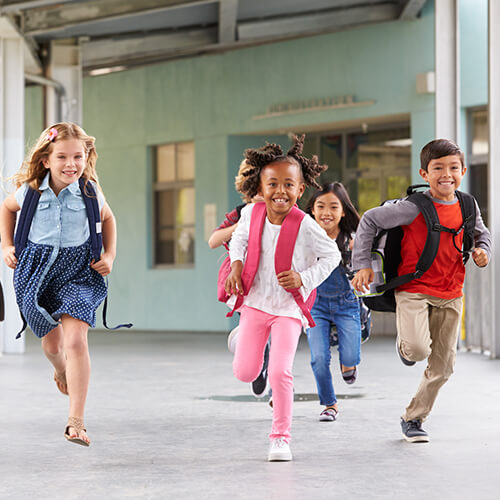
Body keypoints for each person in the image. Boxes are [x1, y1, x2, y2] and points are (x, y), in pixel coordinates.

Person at [351, 139, 491, 443]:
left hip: (451, 292)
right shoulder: (413, 207)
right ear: (424, 173)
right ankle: (406, 347)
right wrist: (361, 263)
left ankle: (413, 418)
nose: (446, 174)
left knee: (443, 367)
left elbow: (482, 233)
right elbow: (370, 220)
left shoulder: (468, 204)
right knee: (417, 350)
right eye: (437, 168)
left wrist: (483, 250)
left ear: (463, 170)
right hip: (413, 289)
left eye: (453, 167)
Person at [0, 122, 117, 447]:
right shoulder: (31, 192)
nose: (71, 164)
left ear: (86, 156)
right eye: (62, 157)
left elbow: (108, 219)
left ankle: (76, 422)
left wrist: (110, 255)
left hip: (78, 271)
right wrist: (7, 246)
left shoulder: (91, 191)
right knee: (53, 346)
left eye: (78, 156)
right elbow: (6, 210)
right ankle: (61, 370)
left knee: (76, 341)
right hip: (37, 272)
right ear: (46, 160)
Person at [225, 135, 341, 461]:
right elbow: (239, 242)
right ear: (260, 189)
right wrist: (236, 266)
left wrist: (304, 279)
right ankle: (244, 342)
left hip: (289, 308)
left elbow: (331, 257)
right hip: (256, 303)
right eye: (272, 184)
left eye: (288, 185)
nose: (280, 191)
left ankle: (280, 437)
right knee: (245, 373)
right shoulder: (251, 215)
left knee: (280, 373)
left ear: (300, 190)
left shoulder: (306, 226)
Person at [209, 161, 269, 397]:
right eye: (252, 188)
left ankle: (275, 380)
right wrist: (243, 223)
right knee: (255, 331)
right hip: (247, 280)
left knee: (277, 326)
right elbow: (213, 240)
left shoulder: (281, 210)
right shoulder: (240, 213)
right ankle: (255, 354)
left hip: (275, 280)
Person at [305, 182, 362, 422]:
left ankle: (349, 363)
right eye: (320, 206)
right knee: (318, 358)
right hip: (315, 306)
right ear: (312, 211)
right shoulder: (305, 237)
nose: (326, 212)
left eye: (333, 206)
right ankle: (329, 404)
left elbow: (367, 264)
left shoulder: (352, 238)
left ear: (343, 211)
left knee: (349, 358)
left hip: (346, 303)